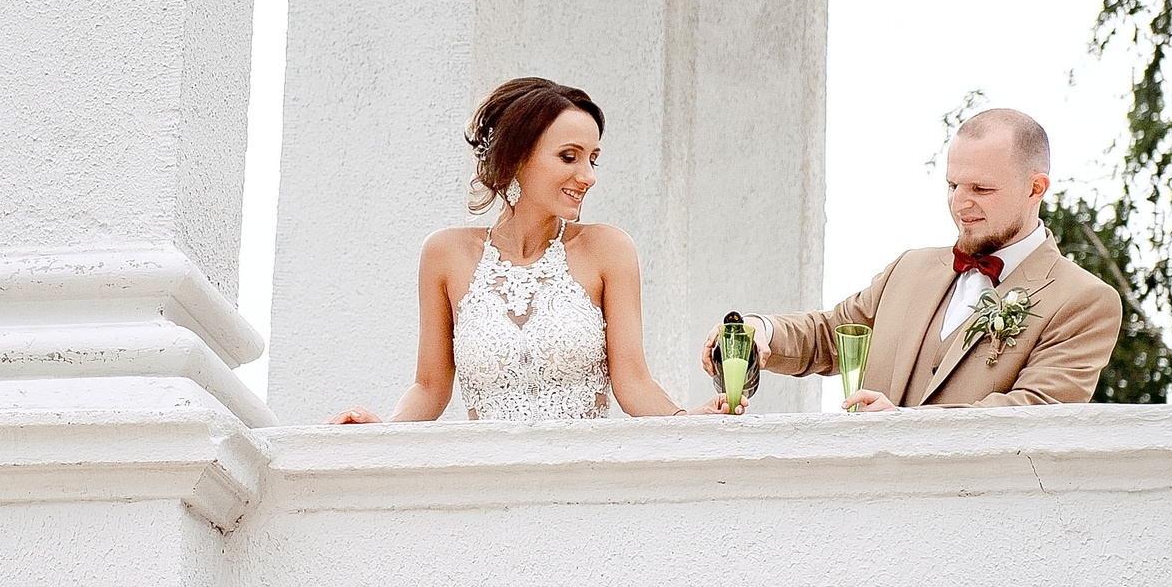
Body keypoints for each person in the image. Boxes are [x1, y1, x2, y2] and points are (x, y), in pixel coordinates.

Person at [703, 107, 1121, 410]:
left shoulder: (1084, 302)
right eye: (953, 185)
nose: (960, 204)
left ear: (1036, 188)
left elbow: (1032, 413)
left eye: (981, 189)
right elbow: (831, 334)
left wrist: (905, 431)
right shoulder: (910, 269)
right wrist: (762, 331)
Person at [332, 78, 700, 423]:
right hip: (487, 480)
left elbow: (634, 384)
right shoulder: (444, 253)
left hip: (582, 475)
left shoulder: (608, 249)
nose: (588, 176)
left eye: (593, 158)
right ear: (517, 157)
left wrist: (689, 423)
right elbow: (429, 388)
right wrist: (381, 431)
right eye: (569, 157)